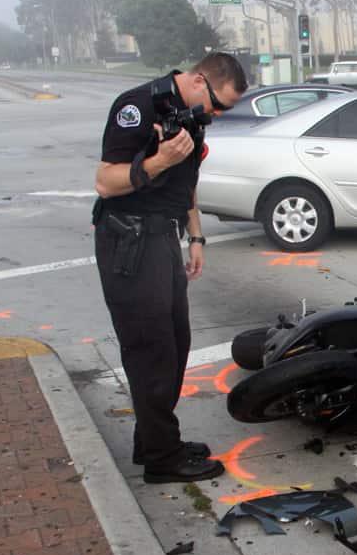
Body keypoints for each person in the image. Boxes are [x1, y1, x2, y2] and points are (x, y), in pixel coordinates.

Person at [93, 53, 247, 484]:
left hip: (163, 236)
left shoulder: (189, 116)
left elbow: (188, 181)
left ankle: (153, 441)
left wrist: (195, 236)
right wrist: (157, 160)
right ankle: (163, 457)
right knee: (152, 351)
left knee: (176, 344)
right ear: (199, 81)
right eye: (218, 105)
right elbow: (106, 182)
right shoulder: (137, 107)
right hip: (129, 239)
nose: (218, 115)